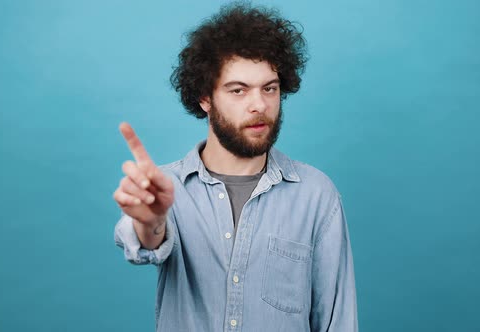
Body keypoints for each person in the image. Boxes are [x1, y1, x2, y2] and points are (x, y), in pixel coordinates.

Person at [113, 3, 358, 331]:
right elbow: (144, 242)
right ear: (205, 97)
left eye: (269, 88)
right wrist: (152, 221)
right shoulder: (165, 187)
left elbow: (337, 321)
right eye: (238, 90)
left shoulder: (316, 195)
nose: (259, 105)